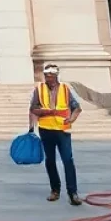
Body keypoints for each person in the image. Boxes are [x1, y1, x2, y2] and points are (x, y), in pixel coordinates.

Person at [29, 63, 82, 205]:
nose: (48, 79)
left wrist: (71, 119)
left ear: (56, 76)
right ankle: (55, 190)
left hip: (62, 130)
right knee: (50, 160)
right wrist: (40, 116)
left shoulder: (65, 89)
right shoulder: (39, 89)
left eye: (50, 76)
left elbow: (77, 108)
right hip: (46, 129)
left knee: (67, 160)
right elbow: (33, 108)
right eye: (46, 76)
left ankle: (73, 193)